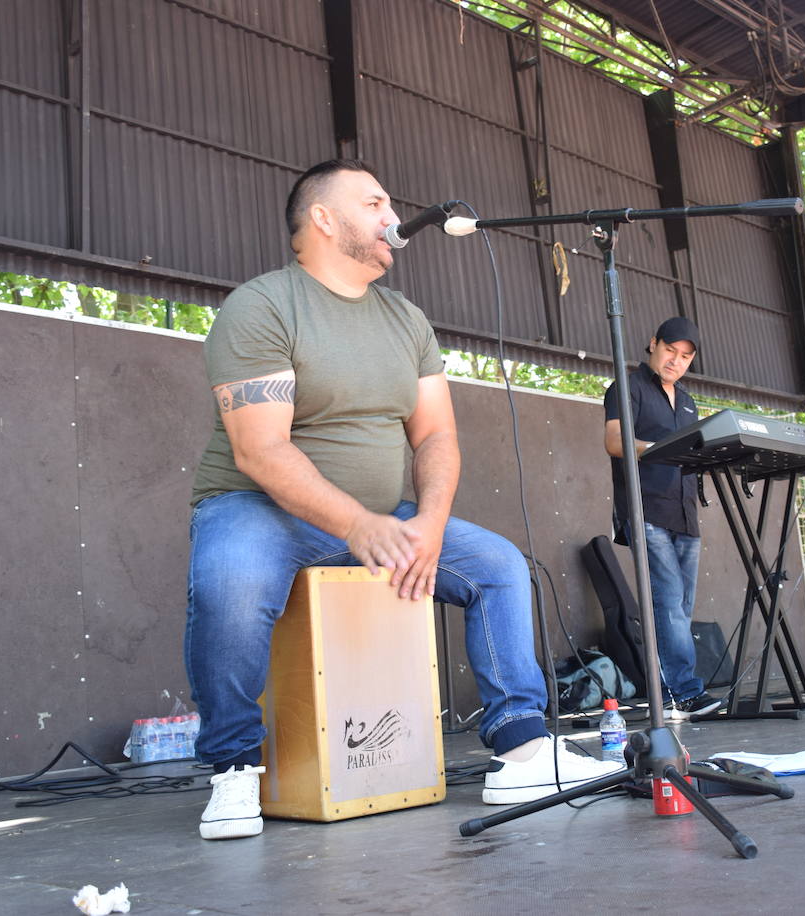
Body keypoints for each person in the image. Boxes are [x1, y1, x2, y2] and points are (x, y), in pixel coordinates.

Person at [185, 159, 620, 840]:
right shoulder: (263, 304)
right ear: (323, 219)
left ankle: (523, 749)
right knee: (229, 581)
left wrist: (432, 526)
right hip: (262, 509)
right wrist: (357, 524)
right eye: (375, 202)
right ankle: (234, 768)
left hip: (386, 520)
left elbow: (437, 434)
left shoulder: (408, 319)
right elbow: (259, 450)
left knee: (500, 567)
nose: (394, 217)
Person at [602, 317, 722, 720]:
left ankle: (675, 692)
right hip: (646, 509)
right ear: (653, 344)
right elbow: (615, 441)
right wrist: (661, 448)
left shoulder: (687, 401)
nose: (677, 360)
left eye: (686, 356)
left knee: (680, 606)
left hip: (686, 512)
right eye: (671, 350)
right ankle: (686, 693)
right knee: (669, 602)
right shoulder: (626, 386)